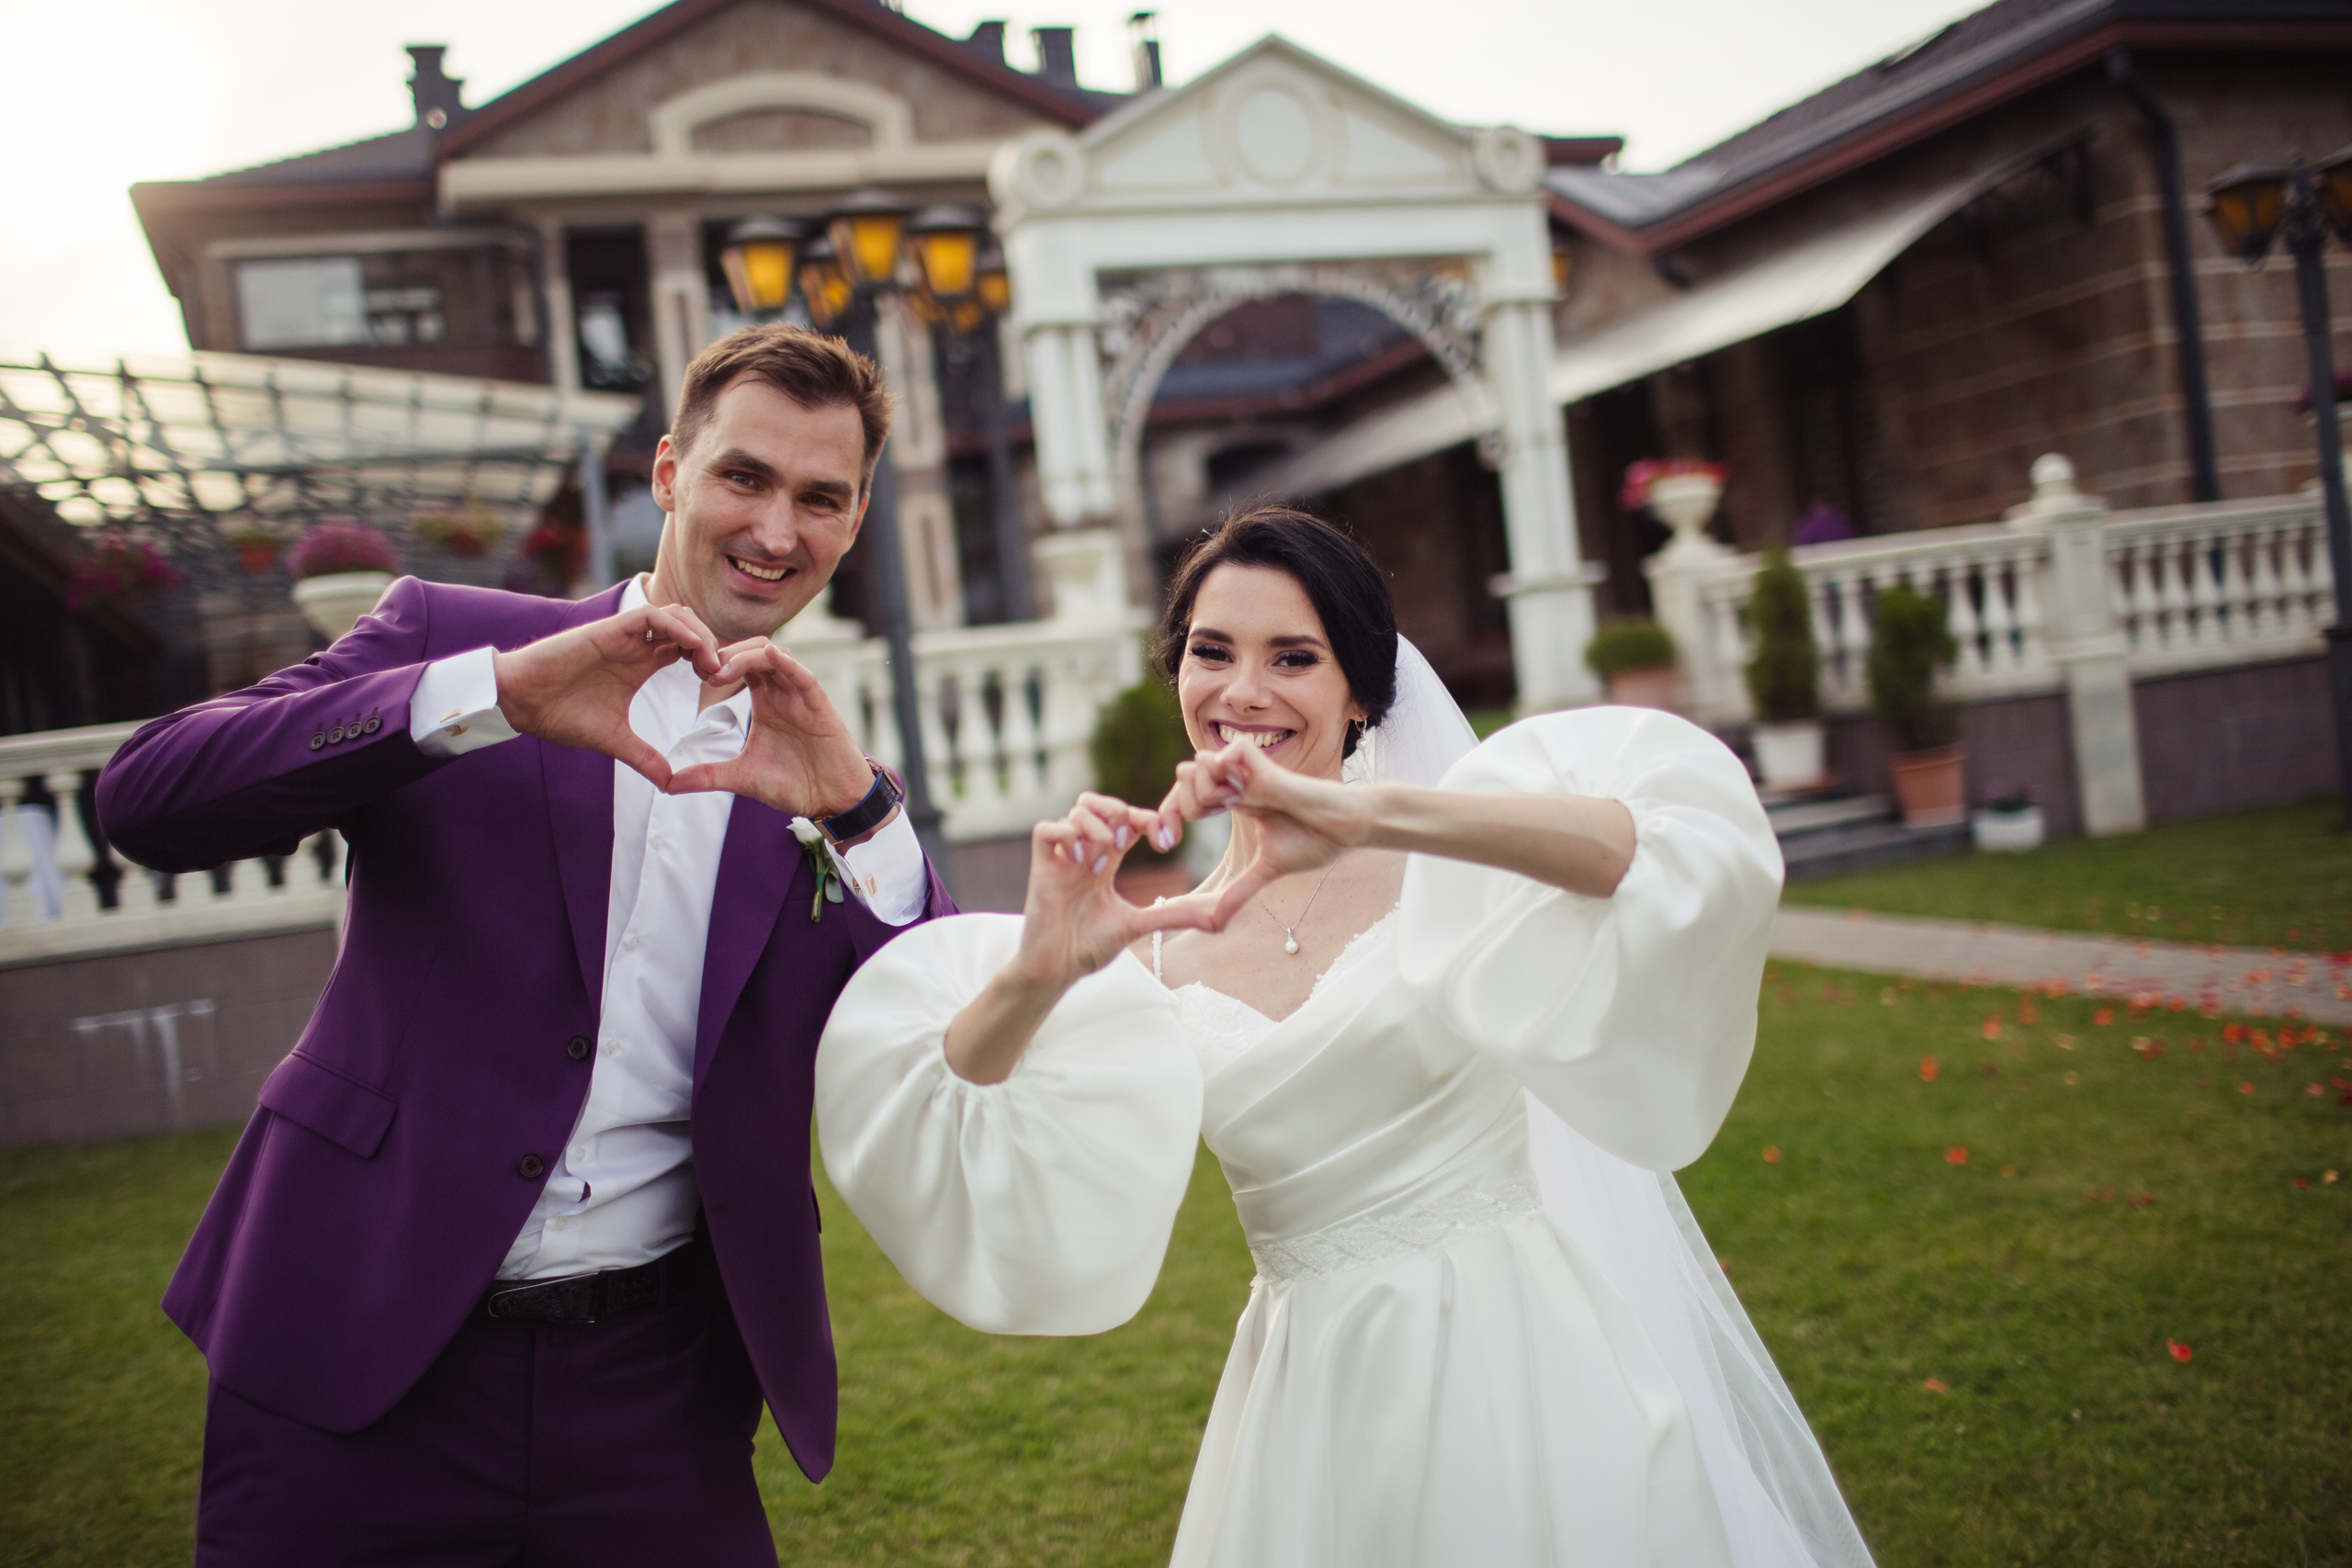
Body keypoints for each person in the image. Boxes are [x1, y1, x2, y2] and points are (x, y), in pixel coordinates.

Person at [813, 507, 1879, 1566]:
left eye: (1294, 657)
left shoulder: (1448, 859)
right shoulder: (1153, 946)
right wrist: (1045, 966)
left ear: (1360, 691)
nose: (1243, 692)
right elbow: (951, 1110)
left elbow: (1659, 848)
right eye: (1211, 652)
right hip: (1316, 1392)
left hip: (1521, 1352)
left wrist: (1372, 819)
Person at [96, 324, 951, 1566]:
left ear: (857, 519)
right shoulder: (457, 636)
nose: (776, 529)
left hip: (657, 1394)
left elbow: (945, 1032)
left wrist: (863, 810)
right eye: (744, 477)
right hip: (359, 1343)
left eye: (820, 498)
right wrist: (480, 700)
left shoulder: (820, 773)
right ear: (668, 471)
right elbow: (146, 800)